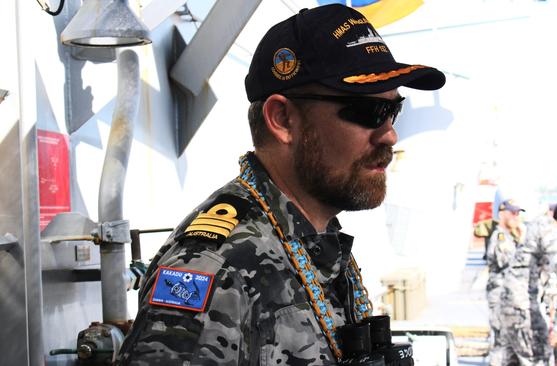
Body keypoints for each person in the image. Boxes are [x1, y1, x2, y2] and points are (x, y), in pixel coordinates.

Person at [116, 4, 445, 365]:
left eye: (393, 111)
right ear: (282, 119)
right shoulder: (214, 268)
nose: (390, 135)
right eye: (368, 112)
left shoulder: (313, 241)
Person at [490, 197, 557, 366]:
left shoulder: (539, 224)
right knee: (539, 356)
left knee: (511, 358)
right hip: (521, 304)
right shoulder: (549, 232)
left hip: (511, 301)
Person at [485, 199, 526, 366]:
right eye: (513, 213)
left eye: (518, 213)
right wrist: (523, 240)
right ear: (502, 214)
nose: (517, 217)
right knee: (501, 342)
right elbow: (511, 263)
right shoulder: (501, 237)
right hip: (501, 296)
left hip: (508, 296)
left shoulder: (509, 236)